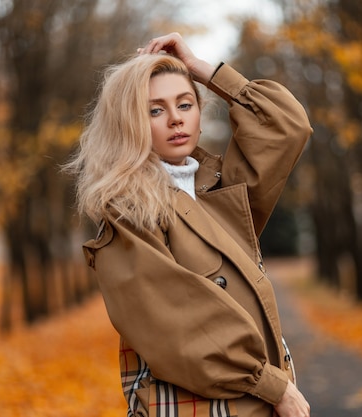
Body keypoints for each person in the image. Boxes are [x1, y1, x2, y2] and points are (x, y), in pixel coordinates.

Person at [66, 33, 312, 417]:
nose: (176, 118)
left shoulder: (220, 189)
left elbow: (287, 126)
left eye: (185, 103)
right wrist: (274, 387)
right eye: (155, 110)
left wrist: (204, 70)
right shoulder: (129, 214)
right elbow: (181, 327)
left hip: (256, 404)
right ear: (130, 123)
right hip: (201, 405)